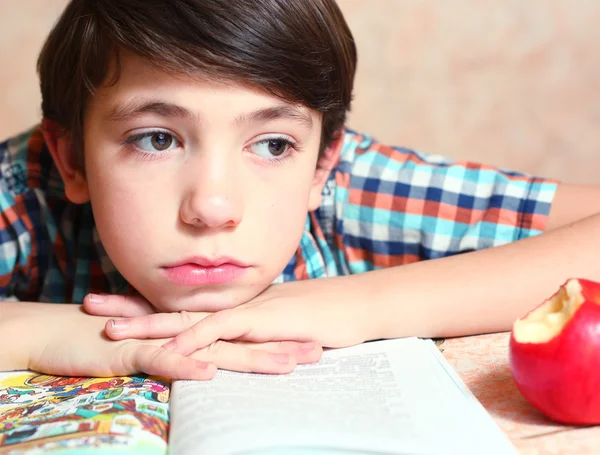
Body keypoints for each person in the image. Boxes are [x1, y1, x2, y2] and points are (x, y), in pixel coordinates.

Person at [1, 0, 599, 380]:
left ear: (321, 164)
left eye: (272, 146)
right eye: (157, 140)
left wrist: (359, 303)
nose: (213, 208)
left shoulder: (349, 189)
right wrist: (49, 333)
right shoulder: (26, 190)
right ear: (72, 158)